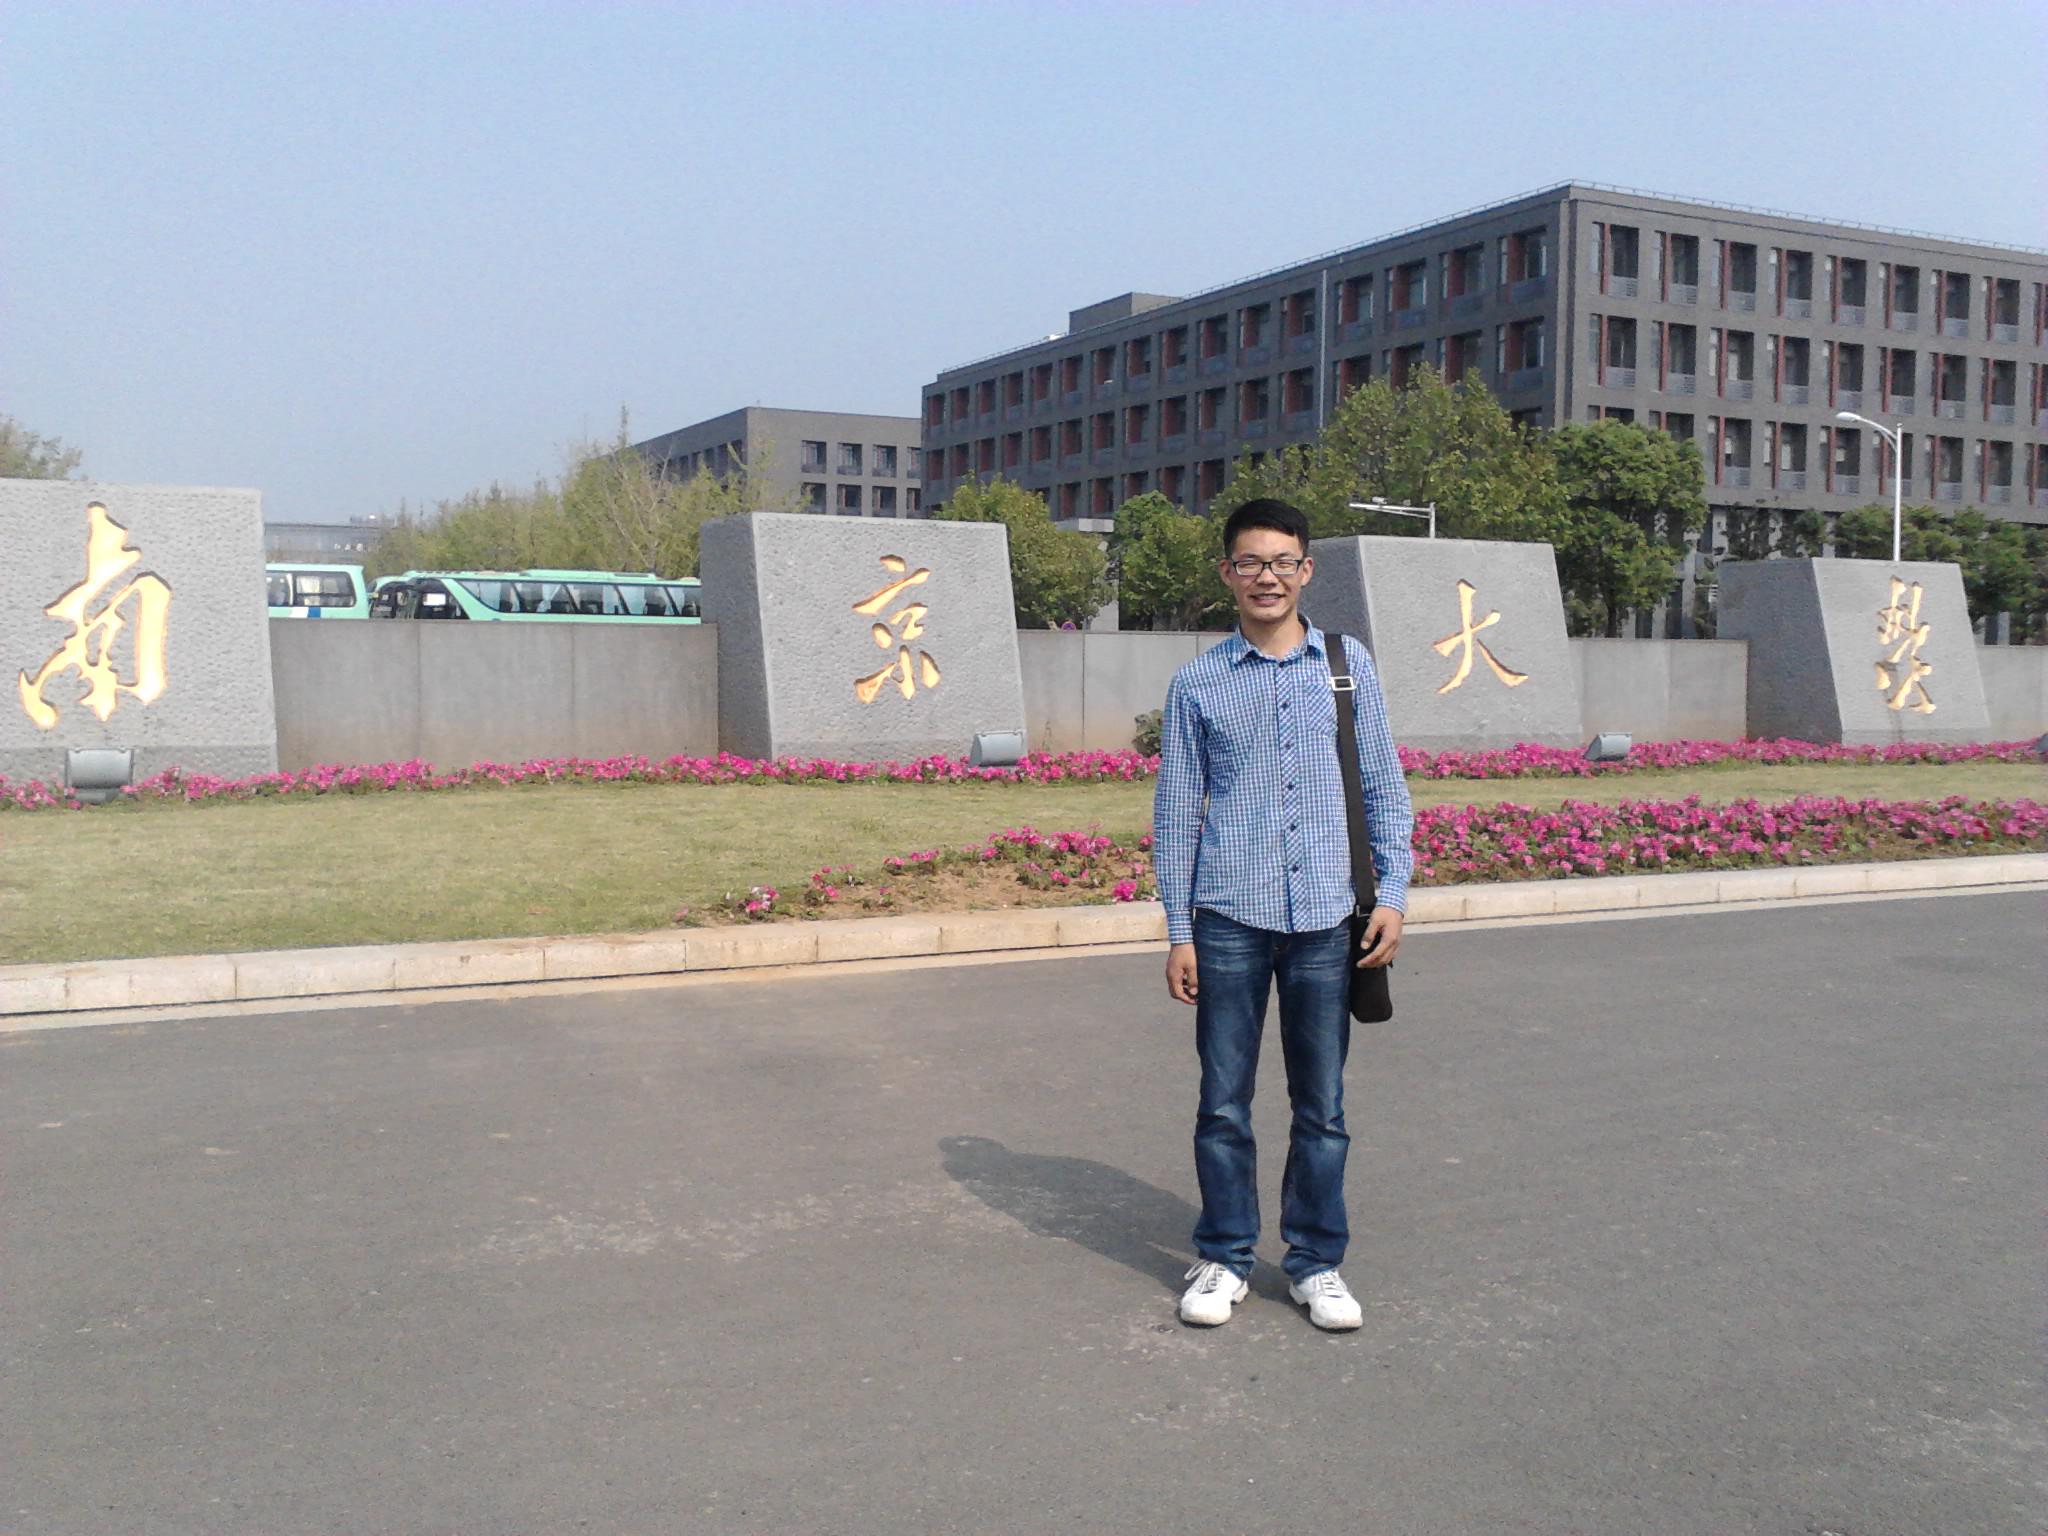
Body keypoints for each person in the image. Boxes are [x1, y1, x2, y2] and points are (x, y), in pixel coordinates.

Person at [1152, 497, 1413, 1331]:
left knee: (1321, 1106)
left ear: (1305, 570)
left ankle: (1315, 1262)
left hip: (1327, 921)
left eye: (1282, 562)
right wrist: (1180, 931)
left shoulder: (1346, 665)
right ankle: (1225, 1256)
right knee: (1223, 1101)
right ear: (1227, 573)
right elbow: (1176, 811)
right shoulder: (1198, 682)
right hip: (1229, 916)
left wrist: (1394, 895)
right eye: (1250, 563)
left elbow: (1383, 786)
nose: (1266, 577)